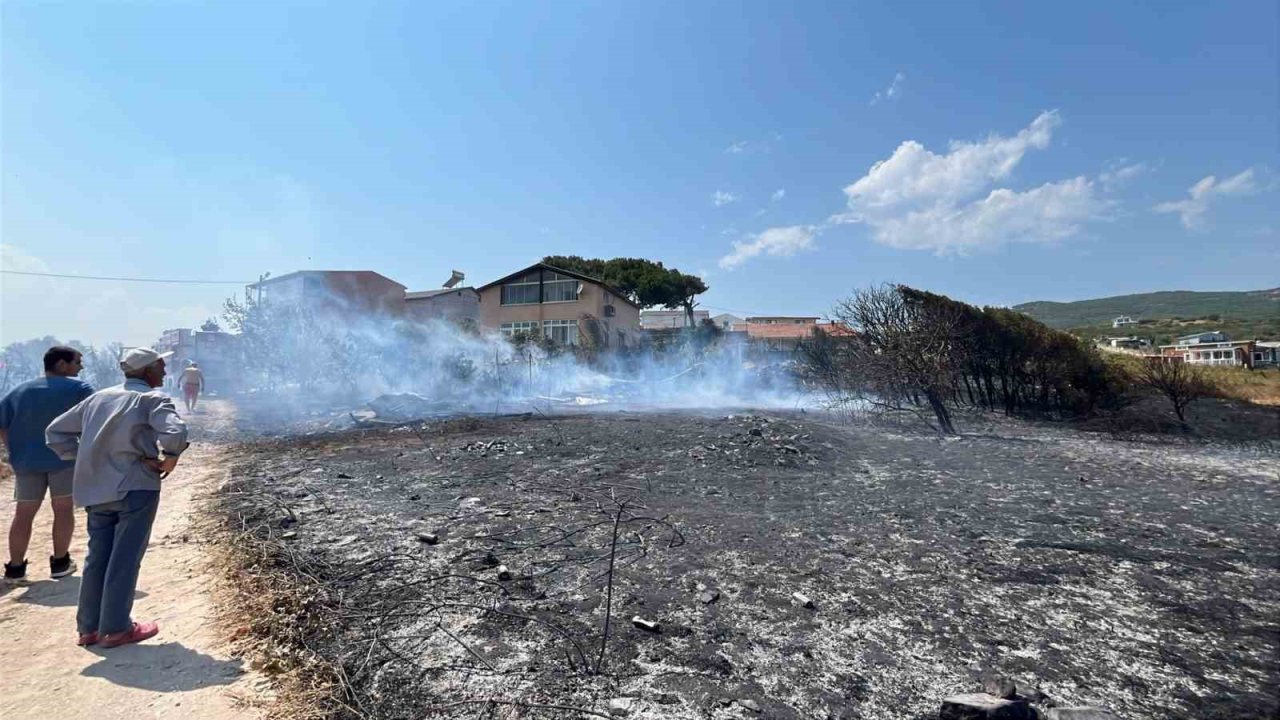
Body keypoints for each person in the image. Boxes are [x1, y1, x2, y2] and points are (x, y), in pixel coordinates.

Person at [46, 347, 188, 648]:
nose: (164, 370)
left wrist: (86, 457)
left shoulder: (98, 399)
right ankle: (116, 628)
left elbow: (55, 432)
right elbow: (175, 432)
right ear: (147, 371)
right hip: (136, 486)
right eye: (160, 366)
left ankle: (89, 629)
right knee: (125, 557)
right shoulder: (152, 399)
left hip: (96, 488)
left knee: (97, 556)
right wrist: (170, 458)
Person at [0, 346, 94, 583]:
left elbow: (3, 425)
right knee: (63, 509)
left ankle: (15, 568)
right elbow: (94, 422)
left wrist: (14, 451)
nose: (81, 367)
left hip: (26, 462)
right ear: (62, 364)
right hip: (64, 459)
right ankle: (60, 563)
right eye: (77, 362)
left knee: (23, 513)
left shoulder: (19, 390)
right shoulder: (80, 389)